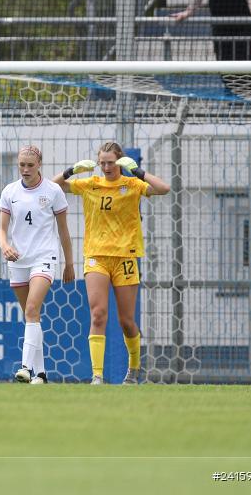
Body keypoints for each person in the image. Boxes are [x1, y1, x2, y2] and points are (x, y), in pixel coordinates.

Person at [52, 142, 170, 385]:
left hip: (125, 257)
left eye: (111, 162)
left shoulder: (132, 184)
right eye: (102, 162)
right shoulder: (90, 184)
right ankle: (97, 375)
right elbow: (51, 187)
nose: (106, 167)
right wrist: (71, 170)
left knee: (126, 321)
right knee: (98, 314)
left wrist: (137, 171)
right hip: (96, 256)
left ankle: (134, 368)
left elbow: (164, 188)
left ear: (120, 162)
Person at [0, 145, 74, 385]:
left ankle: (25, 368)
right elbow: (1, 230)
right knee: (32, 316)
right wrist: (5, 246)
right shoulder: (9, 192)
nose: (26, 169)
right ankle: (40, 374)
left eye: (30, 165)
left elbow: (63, 230)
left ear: (39, 164)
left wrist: (69, 263)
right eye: (22, 165)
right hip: (19, 261)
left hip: (44, 257)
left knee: (31, 308)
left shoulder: (53, 191)